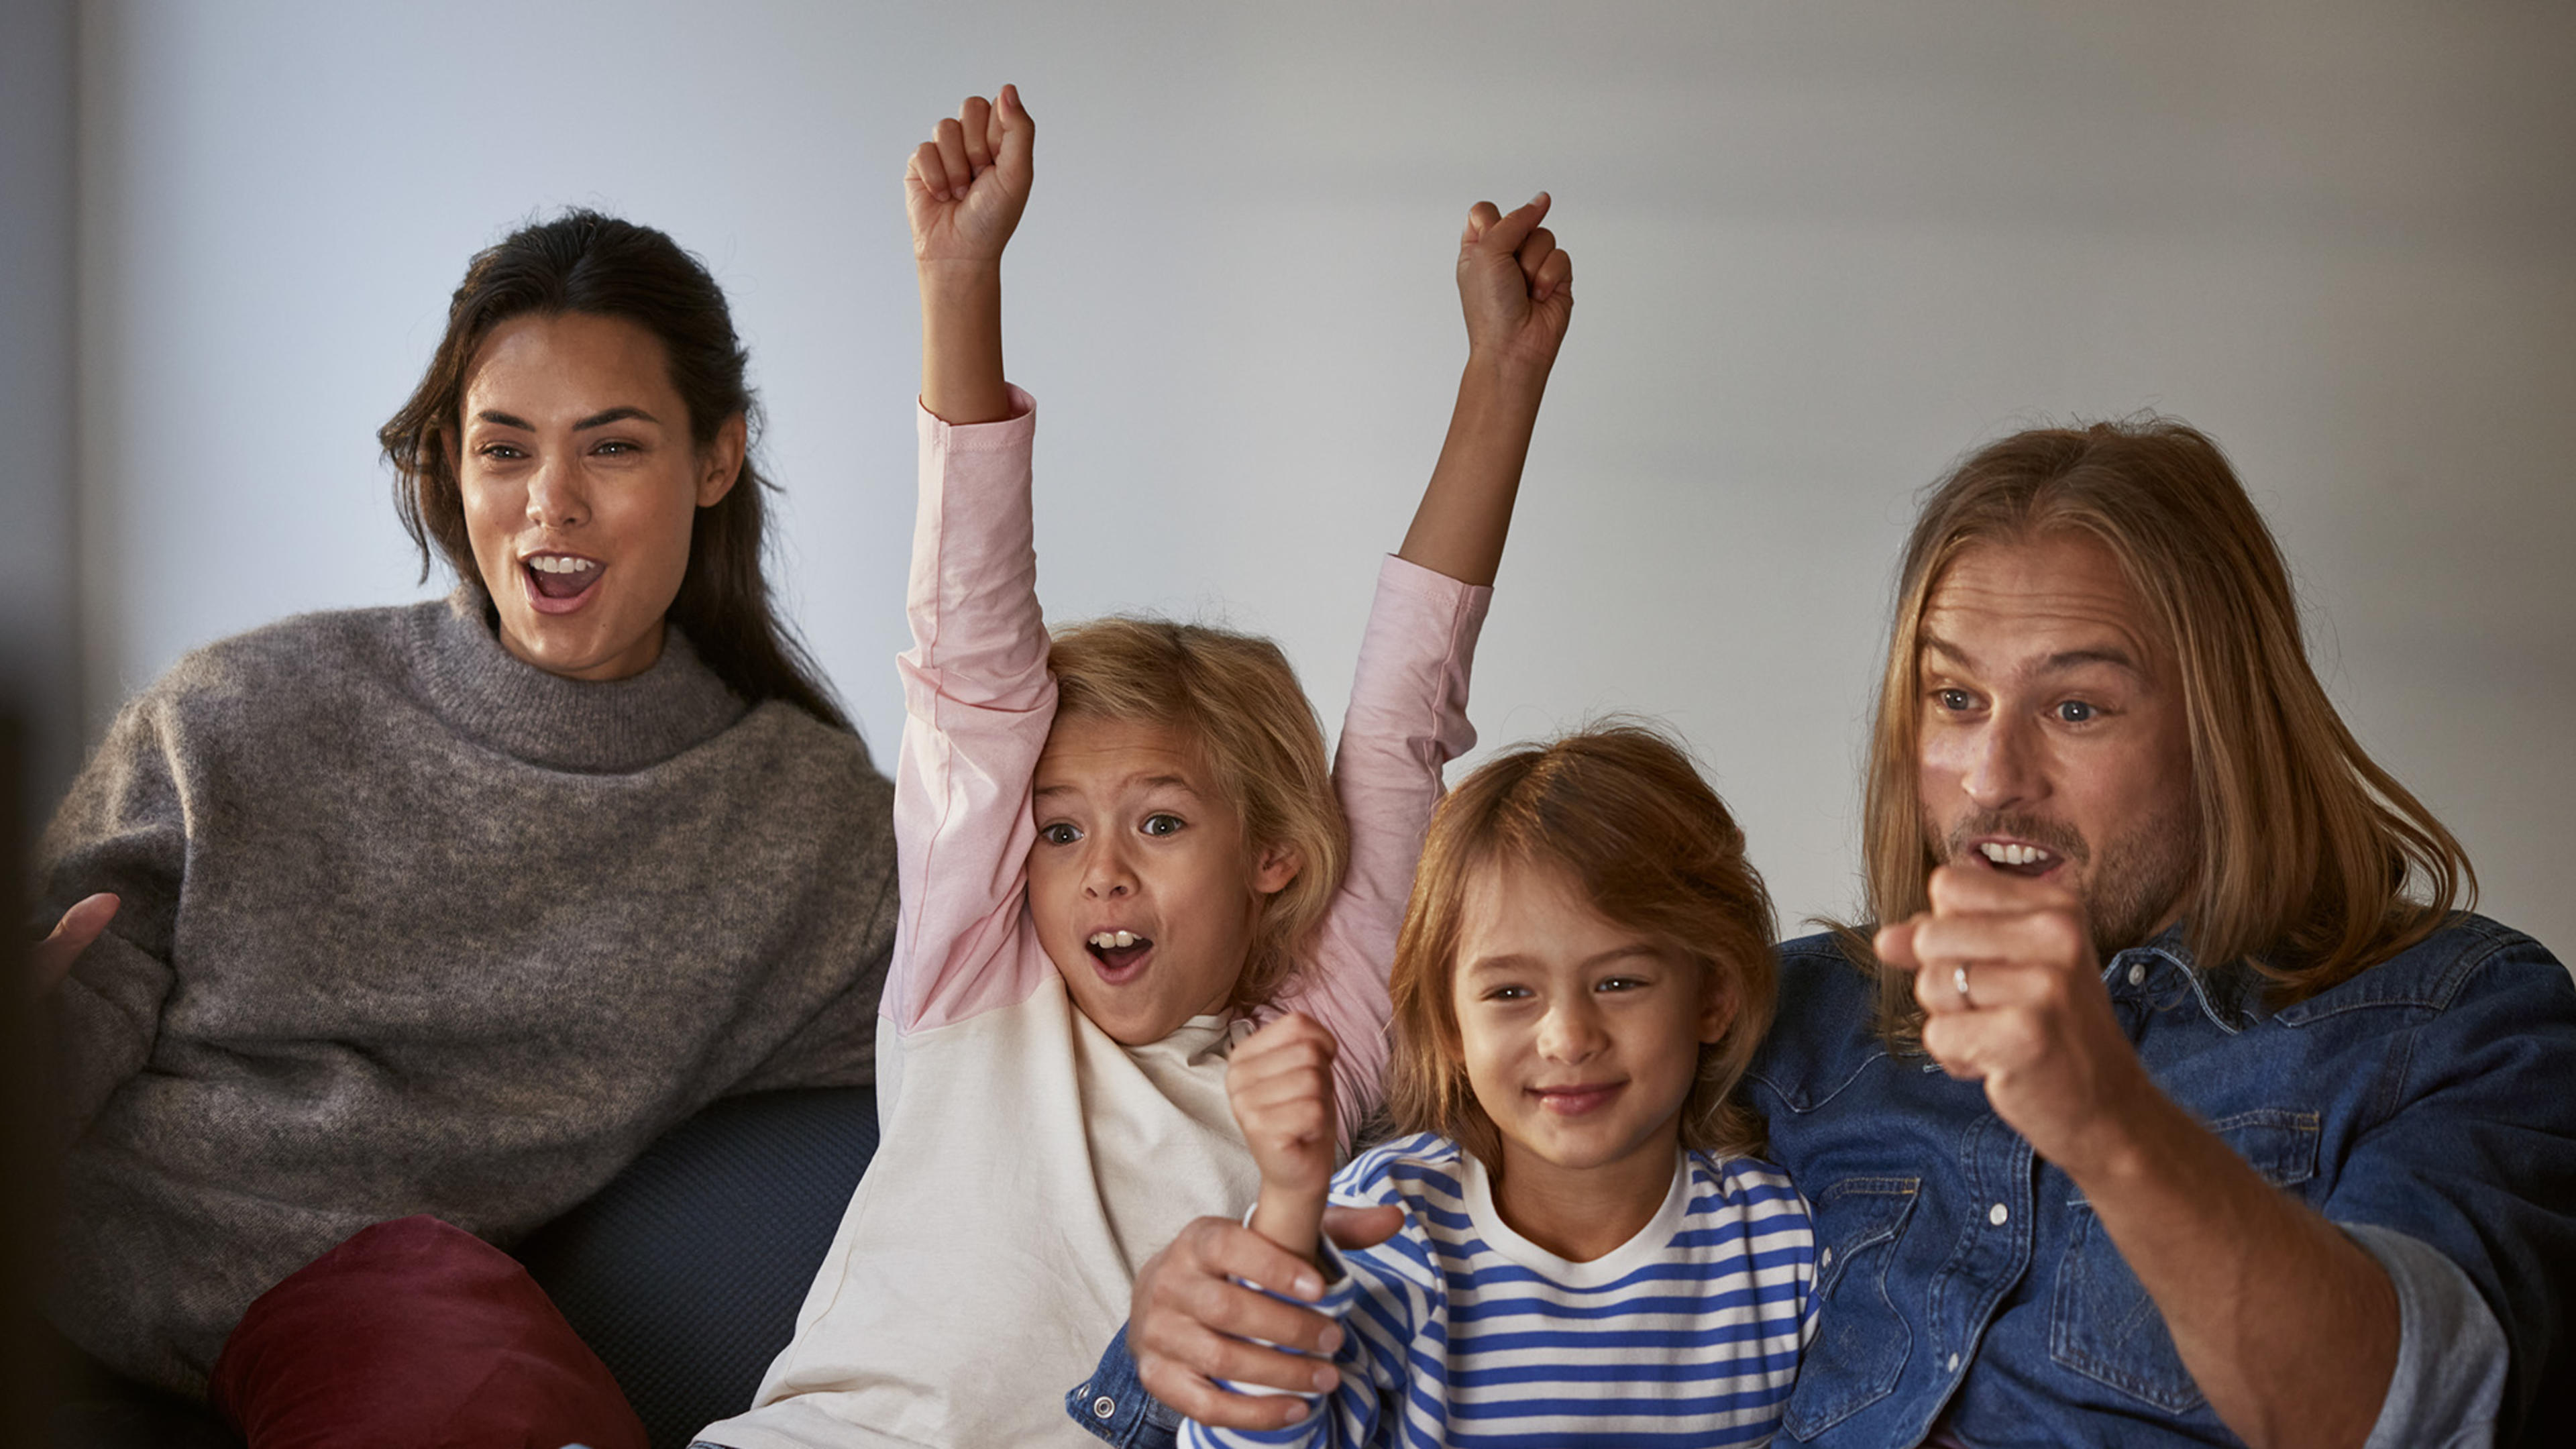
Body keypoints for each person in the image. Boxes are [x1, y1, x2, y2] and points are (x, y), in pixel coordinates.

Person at [1116, 421, 2576, 1447]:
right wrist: (1196, 1314)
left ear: (2226, 728)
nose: (1994, 777)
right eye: (1953, 700)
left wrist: (2108, 1119)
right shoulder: (1789, 1020)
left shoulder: (2460, 1019)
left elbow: (2404, 1420)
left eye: (2075, 707)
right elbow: (1452, 1188)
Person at [691, 87, 1573, 1449]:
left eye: (1160, 822)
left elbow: (1405, 718)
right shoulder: (974, 977)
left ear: (1271, 852)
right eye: (1057, 832)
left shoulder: (1311, 1051)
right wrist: (961, 280)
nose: (1098, 868)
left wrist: (1501, 377)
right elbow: (968, 653)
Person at [34, 210, 902, 1432]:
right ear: (451, 463)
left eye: (612, 449)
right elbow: (66, 997)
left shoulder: (807, 831)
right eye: (506, 450)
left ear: (716, 461)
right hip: (60, 1283)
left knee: (446, 1315)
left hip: (373, 1316)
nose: (552, 504)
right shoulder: (240, 713)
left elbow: (1038, 983)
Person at [1183, 724, 1815, 1448]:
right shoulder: (1392, 1221)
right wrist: (1291, 1208)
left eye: (1619, 982)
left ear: (1712, 998)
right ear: (1450, 1027)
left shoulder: (1778, 1247)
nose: (1568, 1037)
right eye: (1512, 992)